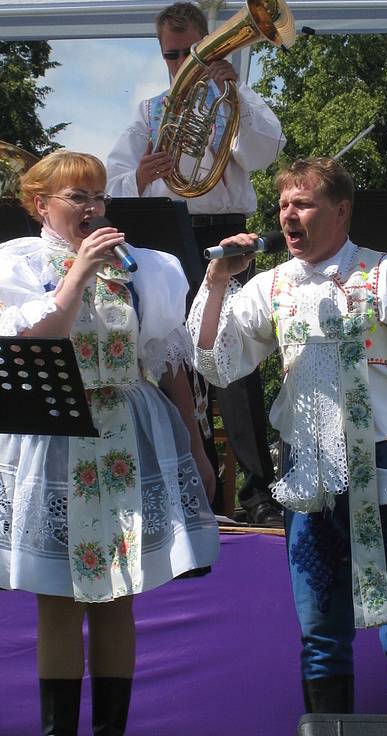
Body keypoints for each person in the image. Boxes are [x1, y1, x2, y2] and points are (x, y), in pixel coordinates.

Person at [188, 157, 387, 715]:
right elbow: (215, 360)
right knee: (319, 629)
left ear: (342, 210)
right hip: (308, 467)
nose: (288, 216)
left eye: (303, 204)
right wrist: (219, 278)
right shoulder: (271, 285)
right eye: (283, 206)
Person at [0, 150, 219, 735]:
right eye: (77, 197)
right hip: (55, 434)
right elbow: (39, 337)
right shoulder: (17, 265)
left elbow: (167, 365)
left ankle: (110, 731)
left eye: (98, 196)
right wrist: (78, 272)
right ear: (40, 204)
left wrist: (197, 451)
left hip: (125, 432)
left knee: (119, 593)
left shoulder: (144, 267)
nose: (93, 207)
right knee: (60, 598)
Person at [106, 1, 285, 526]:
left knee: (235, 360)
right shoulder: (149, 111)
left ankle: (257, 491)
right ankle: (195, 487)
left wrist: (235, 96)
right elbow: (114, 181)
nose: (182, 63)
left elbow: (265, 153)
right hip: (167, 233)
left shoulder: (237, 100)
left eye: (191, 52)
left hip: (228, 229)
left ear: (210, 45)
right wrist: (139, 178)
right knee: (176, 362)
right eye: (171, 55)